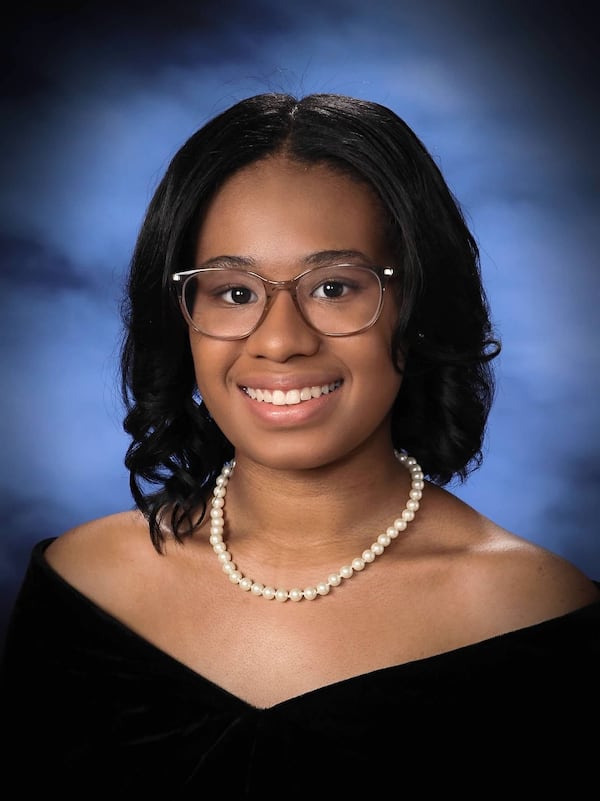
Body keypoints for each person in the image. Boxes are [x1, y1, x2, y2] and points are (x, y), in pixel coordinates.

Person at [1, 92, 599, 794]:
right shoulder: (81, 588)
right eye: (232, 293)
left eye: (335, 286)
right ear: (182, 318)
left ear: (416, 308)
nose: (281, 339)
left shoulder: (533, 614)